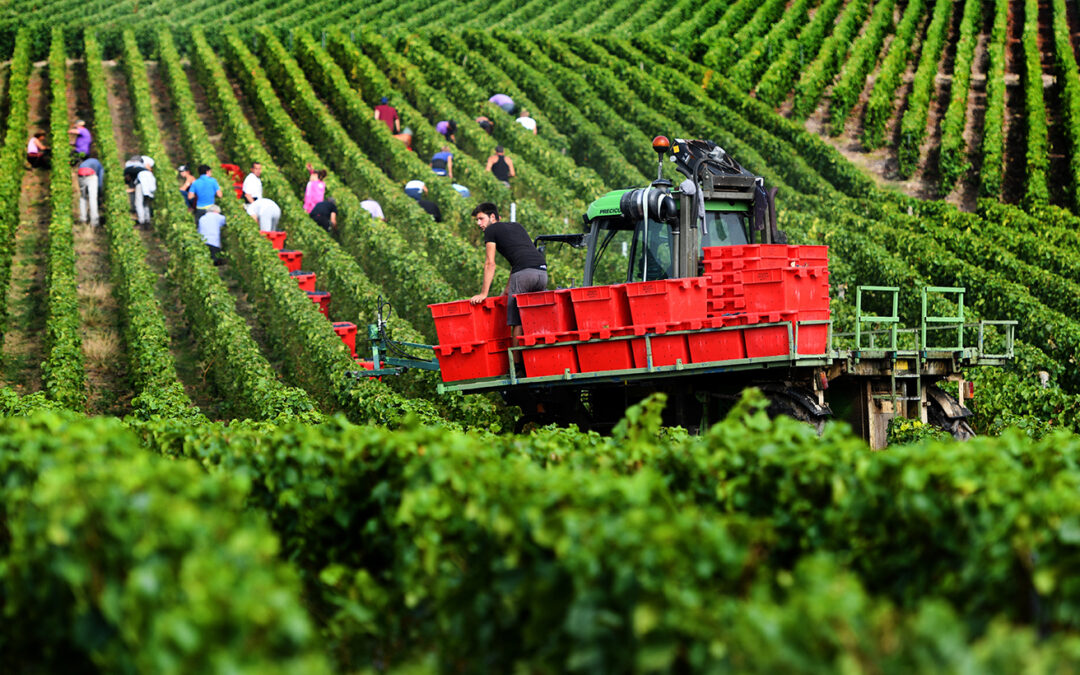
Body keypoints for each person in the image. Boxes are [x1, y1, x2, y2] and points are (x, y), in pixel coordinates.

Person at [469, 202, 547, 341]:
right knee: (533, 318)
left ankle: (516, 363)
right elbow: (519, 259)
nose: (479, 223)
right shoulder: (517, 226)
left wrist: (483, 293)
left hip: (524, 275)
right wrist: (507, 289)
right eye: (477, 220)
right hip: (542, 272)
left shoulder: (491, 230)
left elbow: (490, 263)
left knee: (517, 322)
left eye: (481, 219)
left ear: (492, 217)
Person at [133, 157, 156, 228]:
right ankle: (147, 221)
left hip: (141, 187)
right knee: (146, 205)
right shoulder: (150, 174)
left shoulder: (142, 172)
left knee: (139, 204)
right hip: (148, 191)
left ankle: (141, 221)